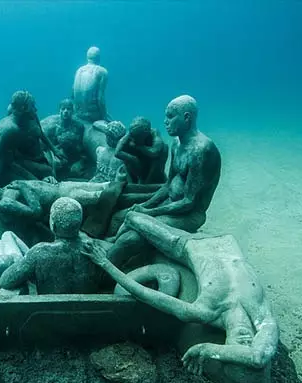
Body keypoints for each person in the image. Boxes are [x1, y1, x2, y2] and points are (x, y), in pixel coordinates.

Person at [82, 211, 279, 374]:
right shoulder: (262, 315)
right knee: (133, 218)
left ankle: (107, 242)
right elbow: (258, 357)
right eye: (248, 344)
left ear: (226, 344)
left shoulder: (204, 311)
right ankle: (112, 238)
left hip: (185, 244)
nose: (244, 342)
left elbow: (144, 293)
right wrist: (214, 351)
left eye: (236, 347)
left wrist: (105, 263)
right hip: (225, 241)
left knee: (133, 218)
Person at [107, 95, 221, 266]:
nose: (165, 122)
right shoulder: (176, 143)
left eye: (170, 116)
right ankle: (114, 250)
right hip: (170, 204)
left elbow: (188, 203)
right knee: (119, 217)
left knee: (131, 238)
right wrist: (144, 206)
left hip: (189, 215)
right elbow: (168, 185)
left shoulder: (202, 150)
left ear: (186, 118)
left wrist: (149, 213)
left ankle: (106, 271)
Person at [0, 197, 102, 294]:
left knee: (4, 240)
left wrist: (22, 263)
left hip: (46, 311)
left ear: (53, 225)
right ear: (79, 223)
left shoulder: (40, 251)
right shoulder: (95, 252)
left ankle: (14, 257)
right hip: (86, 310)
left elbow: (5, 281)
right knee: (7, 238)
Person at [0, 90, 66, 187]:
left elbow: (40, 133)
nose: (36, 109)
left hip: (14, 162)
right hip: (3, 169)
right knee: (38, 183)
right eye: (32, 106)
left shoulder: (30, 116)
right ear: (23, 108)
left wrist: (54, 150)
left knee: (47, 170)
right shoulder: (10, 130)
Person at [40, 99, 89, 180]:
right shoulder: (54, 128)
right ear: (59, 111)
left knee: (75, 172)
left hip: (75, 157)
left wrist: (81, 161)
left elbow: (81, 146)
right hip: (60, 157)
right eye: (63, 109)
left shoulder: (79, 126)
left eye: (68, 109)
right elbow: (49, 147)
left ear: (72, 111)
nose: (65, 111)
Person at [115, 116, 168, 184]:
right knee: (126, 149)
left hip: (150, 164)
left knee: (164, 148)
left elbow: (155, 151)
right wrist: (132, 158)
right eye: (133, 136)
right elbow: (117, 152)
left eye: (138, 137)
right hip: (137, 165)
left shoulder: (154, 133)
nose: (134, 139)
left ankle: (150, 181)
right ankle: (132, 180)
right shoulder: (130, 134)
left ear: (146, 131)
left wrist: (139, 147)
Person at [72, 46, 109, 123]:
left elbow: (73, 94)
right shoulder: (102, 71)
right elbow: (100, 99)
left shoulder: (79, 70)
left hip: (78, 113)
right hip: (92, 115)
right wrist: (104, 116)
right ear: (99, 57)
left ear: (87, 57)